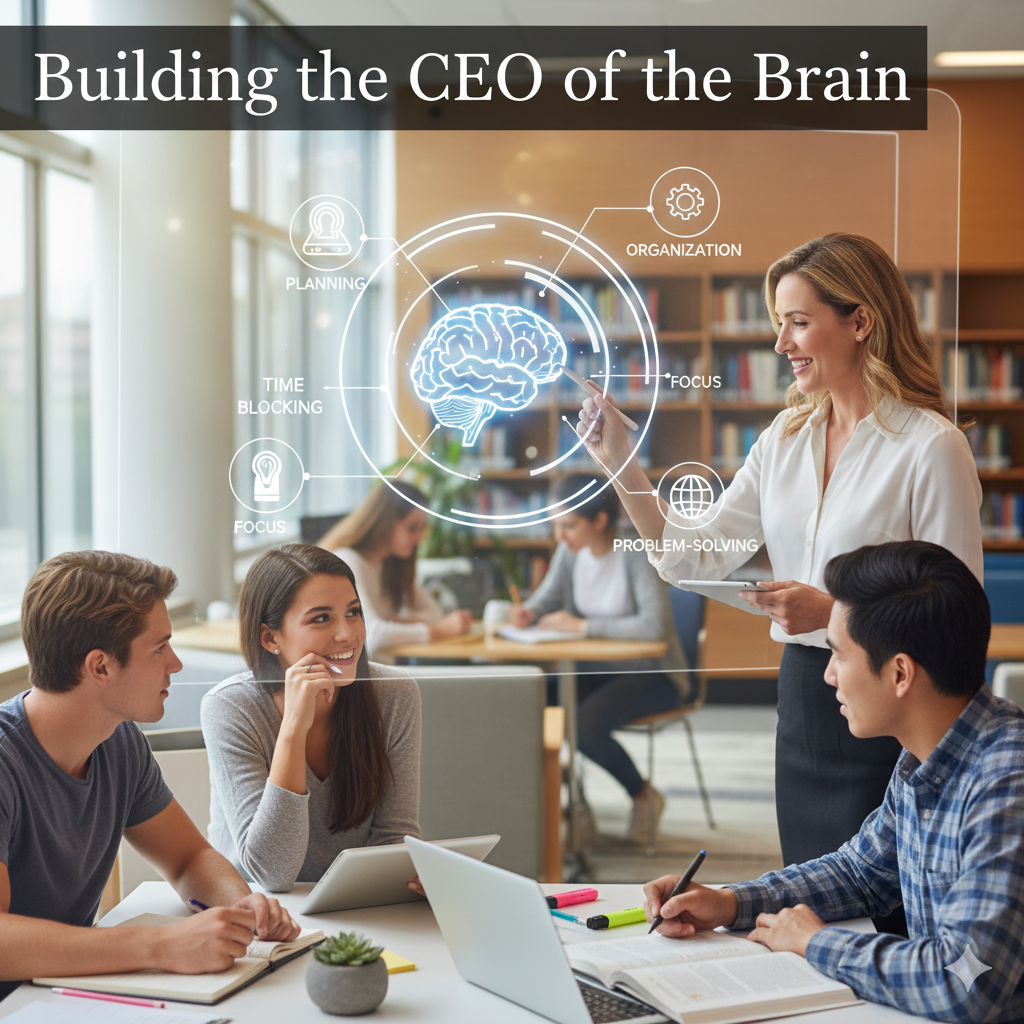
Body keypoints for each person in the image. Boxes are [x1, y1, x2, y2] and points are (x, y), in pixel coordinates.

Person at [577, 233, 983, 888]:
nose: (781, 343)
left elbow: (956, 615)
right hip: (805, 691)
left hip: (896, 703)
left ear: (860, 322)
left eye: (798, 322)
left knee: (881, 905)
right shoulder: (784, 439)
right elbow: (688, 555)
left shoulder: (930, 448)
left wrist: (835, 610)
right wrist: (619, 461)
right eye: (778, 324)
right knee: (808, 888)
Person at [643, 541, 1024, 1024]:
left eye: (839, 655)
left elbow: (965, 980)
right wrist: (728, 902)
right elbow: (860, 873)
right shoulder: (926, 752)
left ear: (900, 673)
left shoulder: (1007, 782)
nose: (828, 675)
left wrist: (815, 942)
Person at [0, 551, 298, 1003]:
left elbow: (188, 858)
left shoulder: (120, 742)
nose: (175, 663)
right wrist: (162, 946)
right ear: (99, 666)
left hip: (58, 998)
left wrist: (239, 907)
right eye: (159, 648)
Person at [201, 544, 422, 893]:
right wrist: (292, 729)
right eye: (321, 618)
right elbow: (271, 873)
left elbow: (394, 838)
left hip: (354, 905)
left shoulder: (394, 694)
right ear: (270, 637)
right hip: (256, 911)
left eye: (353, 612)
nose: (347, 634)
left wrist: (408, 877)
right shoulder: (231, 707)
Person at [507, 474, 689, 843]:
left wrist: (582, 626)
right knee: (527, 703)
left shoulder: (636, 552)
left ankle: (643, 795)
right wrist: (526, 612)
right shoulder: (569, 553)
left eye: (569, 526)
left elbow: (653, 627)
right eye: (556, 525)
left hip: (655, 674)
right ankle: (572, 806)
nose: (560, 536)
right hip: (594, 670)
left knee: (585, 724)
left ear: (600, 521)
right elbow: (546, 600)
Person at [318, 480, 473, 660]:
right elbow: (372, 635)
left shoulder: (388, 565)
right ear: (384, 522)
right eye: (412, 528)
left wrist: (409, 622)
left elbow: (434, 612)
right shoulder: (348, 561)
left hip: (384, 674)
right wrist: (438, 631)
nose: (419, 538)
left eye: (421, 529)